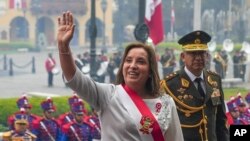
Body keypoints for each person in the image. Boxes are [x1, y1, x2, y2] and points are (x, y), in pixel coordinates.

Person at [57, 11, 183, 141]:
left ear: (150, 70)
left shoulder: (166, 103)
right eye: (128, 61)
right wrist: (63, 47)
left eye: (140, 61)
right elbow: (75, 79)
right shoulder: (108, 95)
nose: (132, 65)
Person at [160, 30, 229, 141]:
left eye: (201, 53)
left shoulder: (214, 80)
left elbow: (221, 121)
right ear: (183, 56)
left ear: (207, 55)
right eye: (193, 53)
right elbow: (163, 126)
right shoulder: (170, 85)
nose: (198, 58)